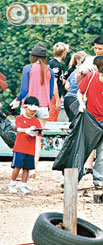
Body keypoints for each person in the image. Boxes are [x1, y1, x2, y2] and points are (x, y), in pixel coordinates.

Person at [10, 44, 56, 177]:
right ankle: (32, 169)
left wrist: (17, 100)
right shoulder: (50, 71)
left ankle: (20, 166)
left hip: (28, 107)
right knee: (37, 139)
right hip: (43, 107)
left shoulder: (28, 68)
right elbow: (51, 93)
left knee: (24, 137)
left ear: (33, 56)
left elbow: (24, 90)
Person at [9, 96, 42, 194]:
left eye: (35, 111)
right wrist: (26, 130)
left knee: (27, 168)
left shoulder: (36, 121)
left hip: (30, 149)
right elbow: (17, 129)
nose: (33, 112)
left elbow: (41, 133)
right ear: (25, 107)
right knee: (17, 167)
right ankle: (12, 184)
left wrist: (36, 132)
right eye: (31, 110)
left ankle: (23, 185)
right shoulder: (19, 118)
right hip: (19, 148)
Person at [48, 42, 70, 122]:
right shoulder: (57, 65)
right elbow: (54, 83)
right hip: (53, 96)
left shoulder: (50, 63)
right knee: (52, 120)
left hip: (51, 95)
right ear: (64, 53)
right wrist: (57, 99)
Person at [63, 51, 87, 121]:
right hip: (76, 100)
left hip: (67, 98)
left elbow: (66, 86)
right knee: (76, 123)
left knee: (71, 121)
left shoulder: (74, 72)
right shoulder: (86, 73)